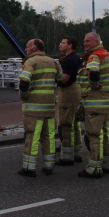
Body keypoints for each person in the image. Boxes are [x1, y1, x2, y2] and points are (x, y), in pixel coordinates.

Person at [17, 39, 63, 177]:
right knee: (49, 137)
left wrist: (24, 96)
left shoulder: (31, 62)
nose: (26, 49)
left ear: (34, 48)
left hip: (33, 108)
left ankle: (29, 168)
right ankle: (49, 166)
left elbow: (24, 82)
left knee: (32, 137)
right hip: (49, 106)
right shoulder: (53, 62)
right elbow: (60, 78)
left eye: (27, 47)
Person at [78, 32, 109, 178]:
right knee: (104, 133)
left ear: (96, 41)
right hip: (106, 100)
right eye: (84, 41)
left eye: (88, 41)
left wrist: (93, 85)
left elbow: (93, 72)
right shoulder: (107, 55)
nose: (85, 43)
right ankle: (106, 163)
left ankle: (93, 167)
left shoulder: (94, 56)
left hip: (95, 101)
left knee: (93, 134)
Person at [56, 36, 84, 165]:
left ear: (70, 45)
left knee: (66, 125)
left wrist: (52, 76)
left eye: (63, 43)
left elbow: (64, 80)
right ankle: (77, 153)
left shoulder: (69, 60)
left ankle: (67, 157)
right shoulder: (76, 58)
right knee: (75, 124)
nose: (60, 45)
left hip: (68, 95)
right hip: (75, 93)